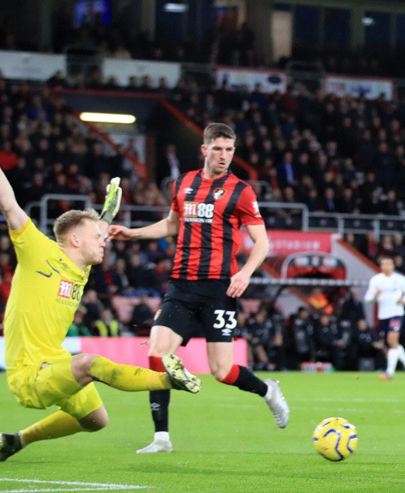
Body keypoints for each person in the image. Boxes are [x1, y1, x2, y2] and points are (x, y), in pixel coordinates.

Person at [0, 111, 201, 463]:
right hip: (29, 373)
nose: (104, 242)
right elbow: (9, 205)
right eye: (97, 237)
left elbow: (93, 233)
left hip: (54, 361)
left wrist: (107, 216)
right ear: (73, 239)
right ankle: (167, 380)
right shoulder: (39, 252)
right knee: (90, 363)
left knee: (96, 420)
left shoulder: (79, 267)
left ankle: (17, 440)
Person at [108, 122, 289, 454]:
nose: (224, 156)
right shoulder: (184, 182)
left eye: (230, 150)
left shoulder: (241, 191)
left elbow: (261, 242)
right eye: (218, 149)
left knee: (221, 371)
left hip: (220, 288)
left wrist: (246, 272)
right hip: (181, 284)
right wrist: (131, 233)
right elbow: (171, 224)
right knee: (158, 354)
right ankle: (161, 437)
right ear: (205, 149)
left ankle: (268, 391)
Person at [364, 256, 405, 380]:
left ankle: (390, 372)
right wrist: (374, 296)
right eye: (384, 264)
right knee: (392, 343)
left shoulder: (400, 279)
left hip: (396, 313)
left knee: (392, 341)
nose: (386, 266)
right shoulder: (376, 280)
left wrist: (404, 300)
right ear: (381, 266)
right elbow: (367, 298)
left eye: (389, 264)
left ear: (393, 266)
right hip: (383, 315)